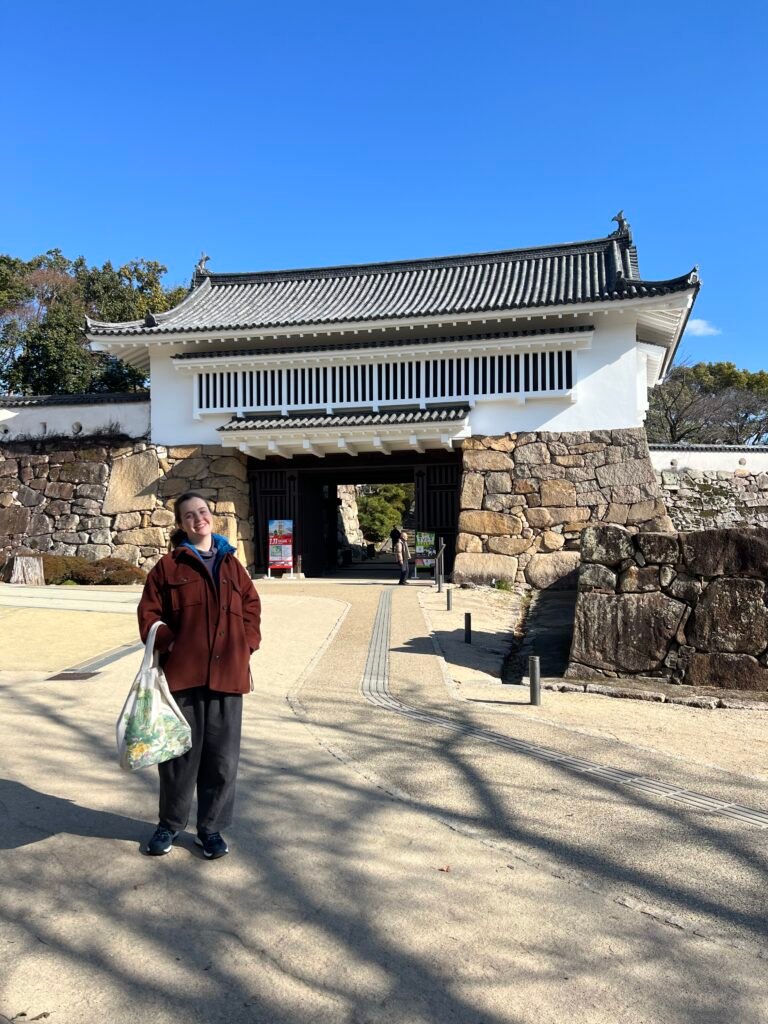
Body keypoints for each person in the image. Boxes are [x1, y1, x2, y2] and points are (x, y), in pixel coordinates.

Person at [137, 491, 261, 860]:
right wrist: (170, 644)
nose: (198, 519)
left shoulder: (231, 565)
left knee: (222, 761)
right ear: (180, 524)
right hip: (183, 677)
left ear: (212, 517)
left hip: (229, 677)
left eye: (203, 512)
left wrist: (247, 643)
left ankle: (211, 830)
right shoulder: (168, 567)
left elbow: (252, 607)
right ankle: (169, 824)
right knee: (178, 758)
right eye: (189, 515)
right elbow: (148, 615)